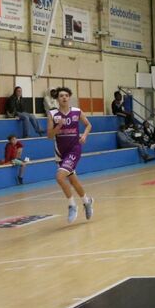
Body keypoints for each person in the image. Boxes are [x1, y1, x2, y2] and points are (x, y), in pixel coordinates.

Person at [48, 86, 94, 224]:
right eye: (61, 96)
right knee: (73, 181)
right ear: (57, 99)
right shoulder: (52, 114)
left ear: (69, 98)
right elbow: (49, 136)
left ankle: (72, 205)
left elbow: (88, 125)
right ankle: (87, 201)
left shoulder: (76, 111)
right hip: (60, 152)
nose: (64, 97)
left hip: (74, 149)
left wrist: (84, 135)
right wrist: (58, 126)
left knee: (59, 177)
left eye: (66, 95)